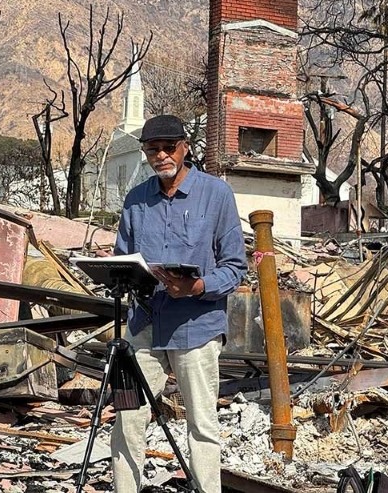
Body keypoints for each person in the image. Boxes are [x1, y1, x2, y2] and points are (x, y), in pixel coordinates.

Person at [111, 115, 247, 493]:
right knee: (127, 418)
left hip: (197, 327)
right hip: (145, 325)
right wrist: (128, 277)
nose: (161, 156)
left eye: (169, 147)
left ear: (185, 147)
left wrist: (197, 285)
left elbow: (236, 267)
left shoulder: (216, 194)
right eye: (152, 149)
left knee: (202, 423)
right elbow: (123, 259)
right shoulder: (136, 199)